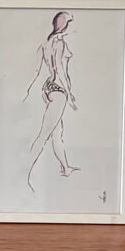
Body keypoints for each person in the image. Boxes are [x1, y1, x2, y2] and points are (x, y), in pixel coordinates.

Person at [23, 10, 81, 191]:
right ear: (65, 25)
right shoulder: (60, 42)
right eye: (70, 23)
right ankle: (23, 174)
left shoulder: (47, 42)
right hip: (59, 91)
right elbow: (60, 70)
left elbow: (39, 70)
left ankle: (65, 167)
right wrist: (70, 94)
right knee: (44, 135)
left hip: (48, 88)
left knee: (57, 133)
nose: (72, 27)